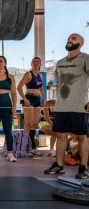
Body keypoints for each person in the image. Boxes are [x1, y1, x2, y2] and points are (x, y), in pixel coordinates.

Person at [44, 33, 89, 179]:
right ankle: (59, 165)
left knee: (82, 137)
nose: (70, 39)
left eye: (74, 38)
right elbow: (57, 84)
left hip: (79, 106)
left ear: (81, 43)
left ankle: (83, 168)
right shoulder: (60, 62)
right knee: (60, 136)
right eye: (69, 38)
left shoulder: (85, 59)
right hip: (61, 106)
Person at [17, 57, 46, 156]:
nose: (36, 63)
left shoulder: (40, 76)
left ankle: (33, 148)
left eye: (38, 62)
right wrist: (25, 100)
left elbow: (41, 89)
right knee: (28, 124)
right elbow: (19, 87)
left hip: (37, 100)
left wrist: (44, 100)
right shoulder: (28, 74)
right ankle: (24, 147)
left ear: (40, 64)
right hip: (29, 99)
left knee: (34, 124)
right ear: (31, 63)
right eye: (34, 62)